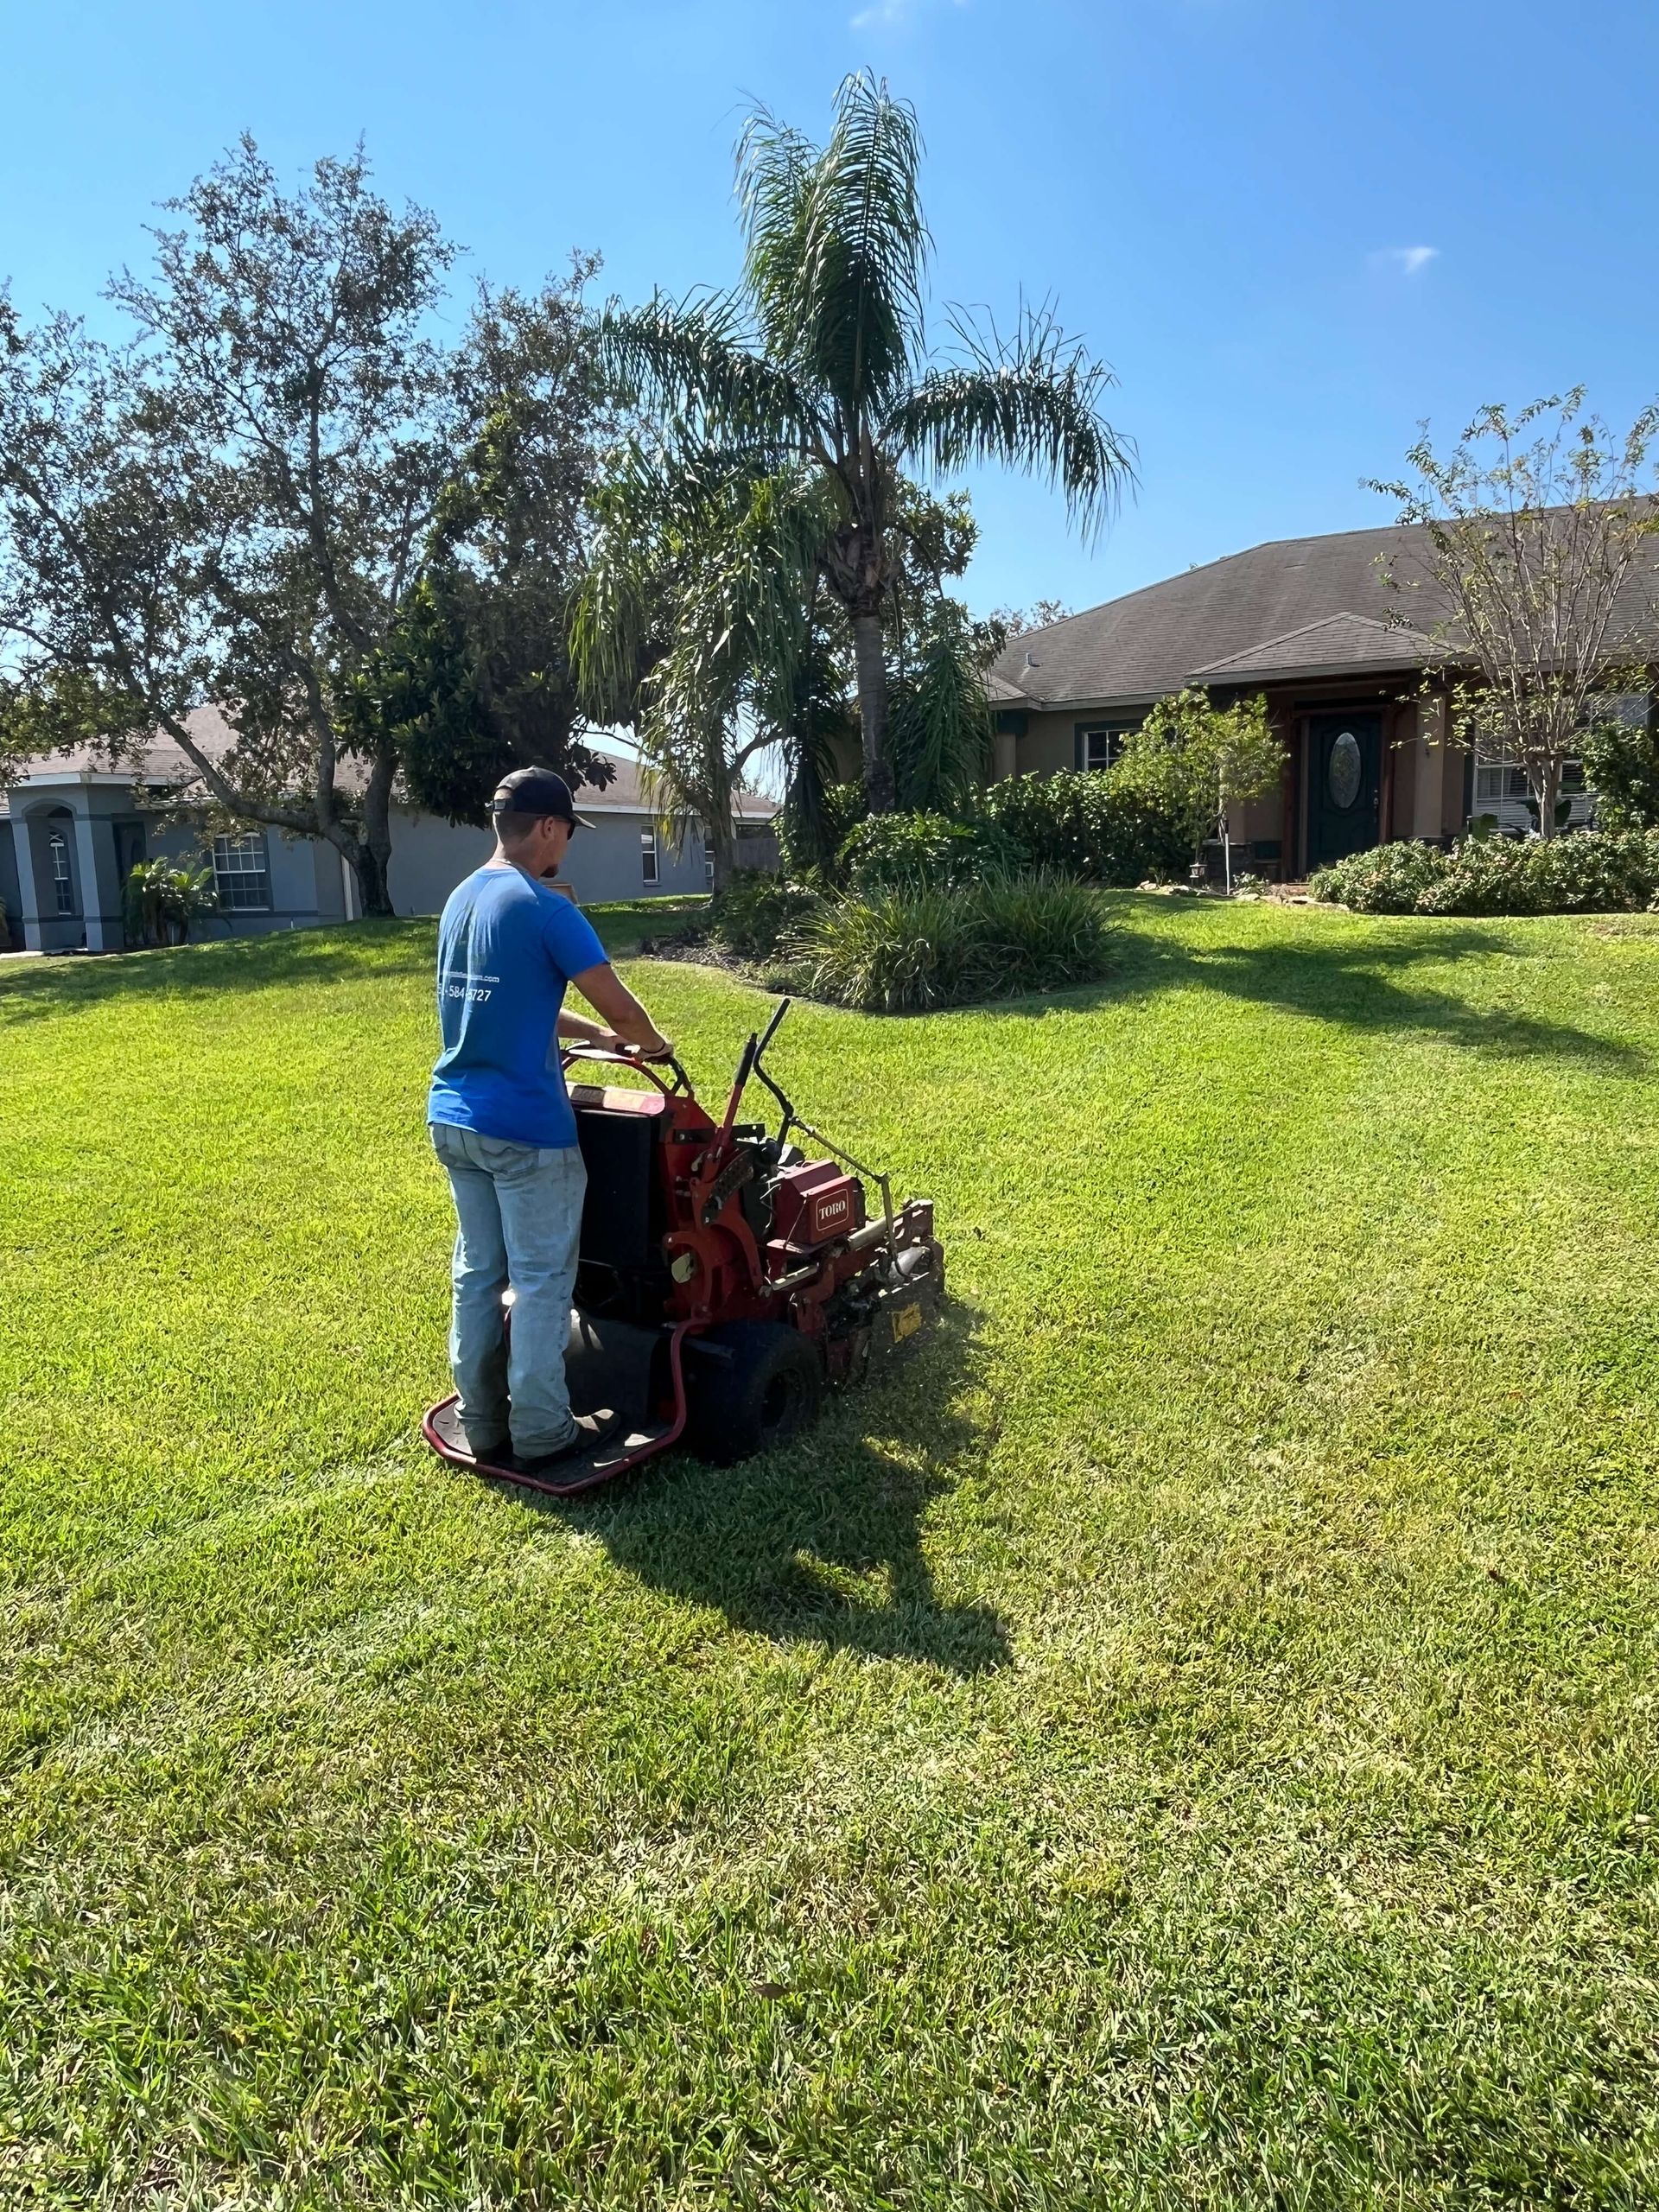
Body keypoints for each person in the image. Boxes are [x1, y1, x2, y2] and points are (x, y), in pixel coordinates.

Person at [428, 766, 671, 1471]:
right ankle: (541, 1432)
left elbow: (503, 1002)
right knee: (539, 1284)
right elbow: (621, 1007)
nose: (568, 842)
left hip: (453, 1119)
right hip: (526, 1132)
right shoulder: (545, 906)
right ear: (544, 827)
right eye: (566, 828)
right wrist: (649, 1044)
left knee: (477, 1273)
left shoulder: (460, 901)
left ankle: (483, 1417)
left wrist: (590, 1038)